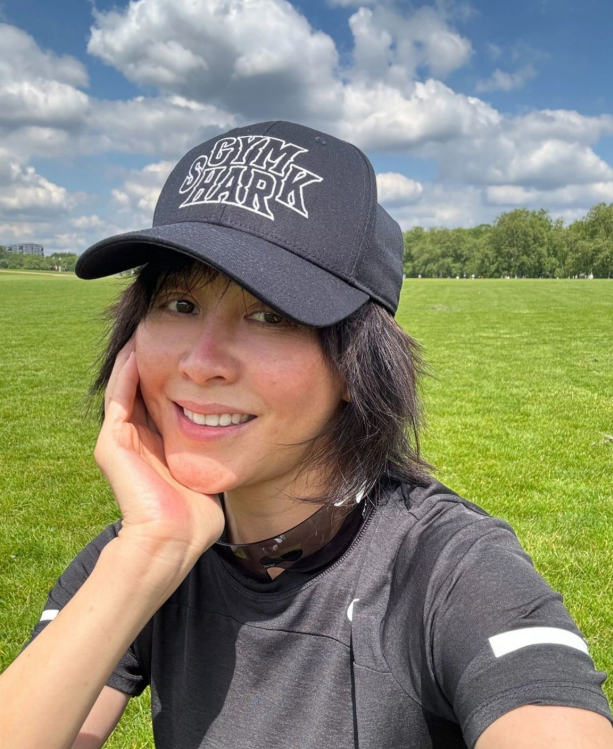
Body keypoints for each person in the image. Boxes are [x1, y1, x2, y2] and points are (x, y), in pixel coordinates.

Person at [1, 121, 612, 749]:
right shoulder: (132, 556)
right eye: (180, 305)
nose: (201, 363)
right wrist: (150, 554)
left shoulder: (450, 570)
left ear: (356, 365)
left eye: (270, 316)